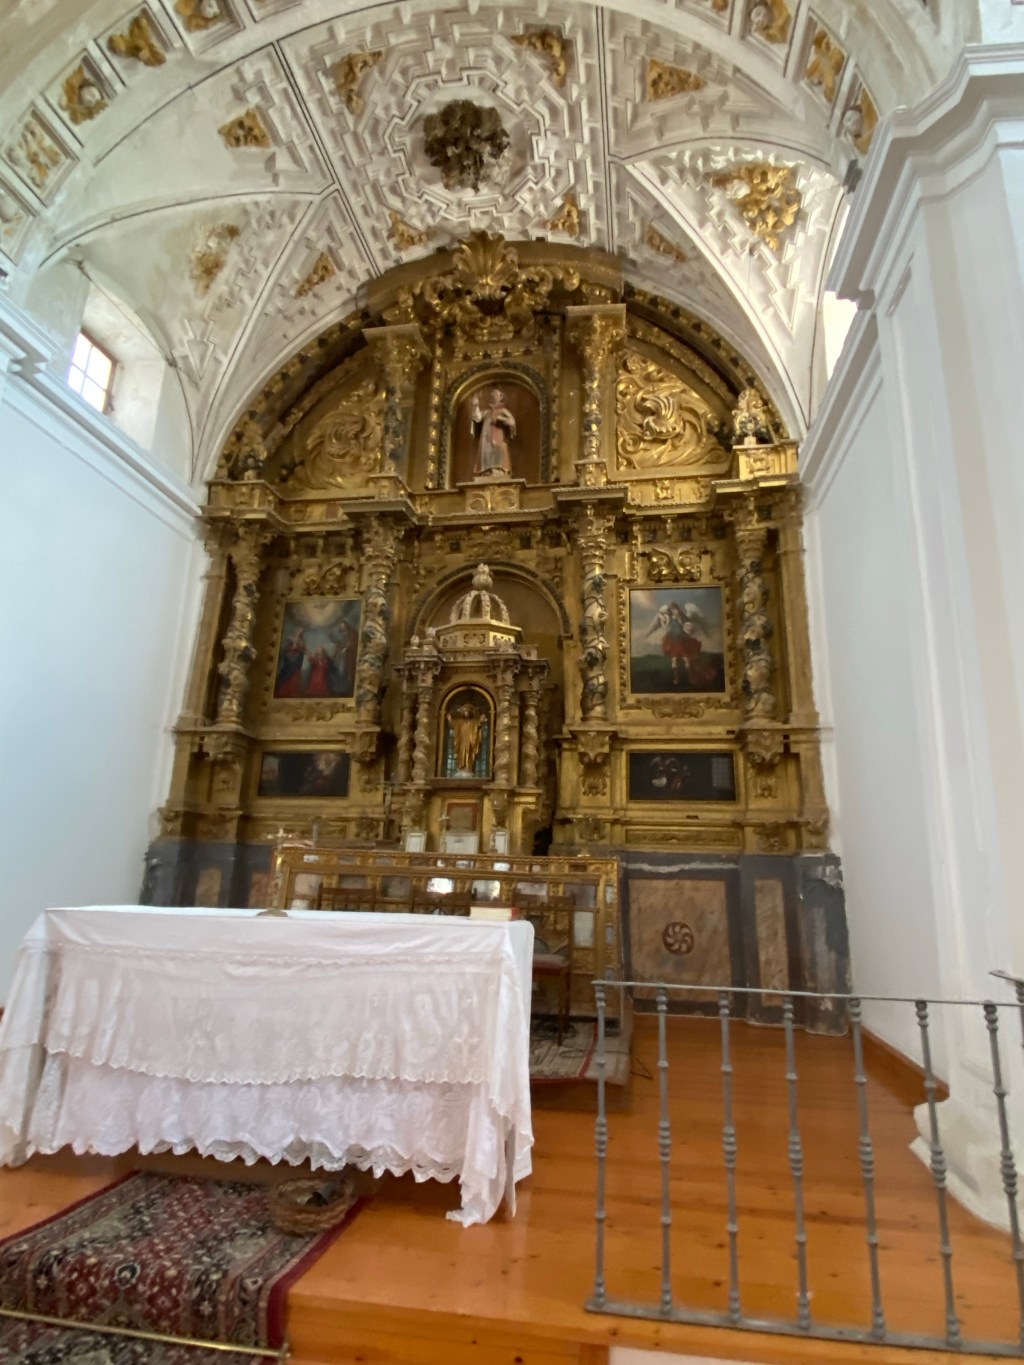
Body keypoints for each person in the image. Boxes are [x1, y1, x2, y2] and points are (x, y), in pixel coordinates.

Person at [648, 601, 703, 687]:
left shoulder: (683, 617)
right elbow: (663, 621)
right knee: (674, 659)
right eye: (673, 610)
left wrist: (686, 626)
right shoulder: (669, 618)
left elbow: (689, 627)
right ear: (671, 611)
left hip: (682, 640)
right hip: (673, 640)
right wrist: (661, 616)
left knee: (686, 659)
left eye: (676, 609)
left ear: (678, 609)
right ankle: (676, 677)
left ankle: (690, 676)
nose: (675, 611)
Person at [469, 387, 516, 477]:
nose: (493, 396)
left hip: (499, 438)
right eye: (492, 395)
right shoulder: (486, 413)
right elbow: (477, 418)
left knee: (499, 453)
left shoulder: (503, 411)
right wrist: (475, 406)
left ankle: (499, 471)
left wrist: (500, 419)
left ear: (500, 397)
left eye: (496, 394)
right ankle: (486, 472)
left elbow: (512, 422)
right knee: (486, 453)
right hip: (486, 439)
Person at [449, 700, 484, 775]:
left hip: (469, 740)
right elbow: (453, 725)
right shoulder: (459, 722)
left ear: (470, 713)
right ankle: (461, 766)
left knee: (469, 753)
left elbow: (478, 725)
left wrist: (481, 721)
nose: (466, 713)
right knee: (461, 754)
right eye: (465, 712)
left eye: (467, 712)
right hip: (461, 741)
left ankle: (468, 767)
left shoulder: (473, 722)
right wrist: (450, 719)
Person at [275, 627, 305, 697]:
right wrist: (292, 648)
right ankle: (282, 689)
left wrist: (300, 649)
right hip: (289, 660)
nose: (300, 634)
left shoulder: (302, 642)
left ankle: (293, 691)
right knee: (286, 673)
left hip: (296, 661)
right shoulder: (290, 639)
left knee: (295, 675)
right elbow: (284, 650)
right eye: (299, 632)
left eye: (302, 633)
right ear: (296, 631)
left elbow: (302, 652)